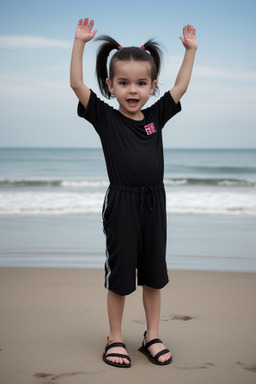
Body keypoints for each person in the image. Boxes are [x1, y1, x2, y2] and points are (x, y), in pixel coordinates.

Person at [70, 17, 197, 368]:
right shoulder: (105, 118)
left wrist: (190, 51)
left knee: (154, 275)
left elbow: (182, 86)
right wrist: (80, 42)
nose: (132, 90)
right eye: (123, 83)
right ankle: (115, 337)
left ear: (152, 86)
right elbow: (76, 83)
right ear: (110, 85)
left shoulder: (156, 115)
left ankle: (151, 335)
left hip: (155, 202)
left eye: (141, 83)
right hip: (122, 203)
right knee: (121, 276)